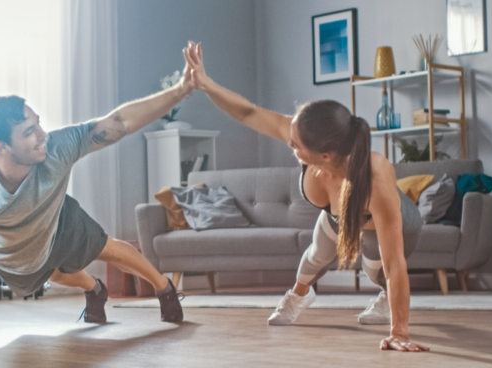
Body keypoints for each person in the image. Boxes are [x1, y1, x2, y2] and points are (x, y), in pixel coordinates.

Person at [0, 47, 194, 352]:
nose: (43, 134)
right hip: (15, 254)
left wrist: (180, 90)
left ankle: (165, 288)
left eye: (38, 123)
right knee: (55, 274)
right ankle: (95, 289)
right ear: (1, 147)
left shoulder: (57, 146)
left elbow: (120, 123)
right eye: (29, 131)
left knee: (108, 249)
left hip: (58, 217)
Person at [183, 42, 428, 352]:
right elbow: (249, 113)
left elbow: (395, 265)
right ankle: (298, 295)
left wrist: (400, 334)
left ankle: (385, 301)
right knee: (314, 256)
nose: (291, 146)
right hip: (337, 215)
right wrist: (206, 84)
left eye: (296, 145)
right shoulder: (312, 139)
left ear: (325, 156)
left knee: (377, 271)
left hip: (391, 224)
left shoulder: (374, 179)